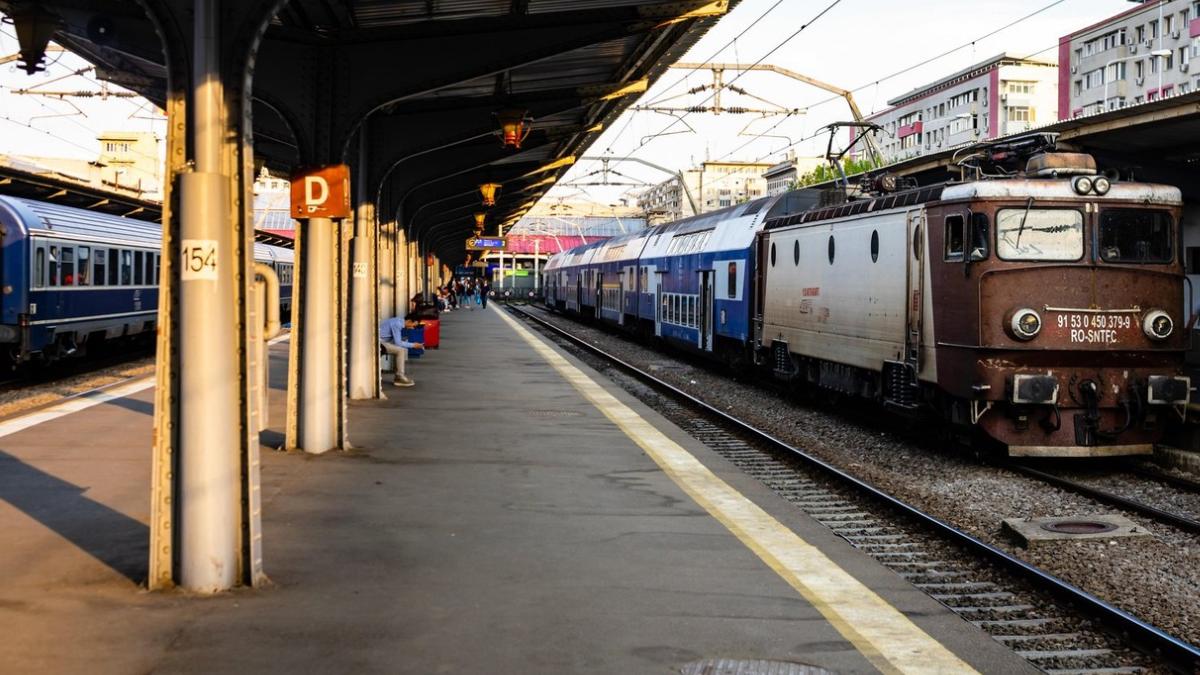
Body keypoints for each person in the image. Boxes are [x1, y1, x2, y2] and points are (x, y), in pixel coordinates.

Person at [379, 316, 423, 387]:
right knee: (401, 351)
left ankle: (399, 375)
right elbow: (398, 343)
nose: (413, 328)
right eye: (413, 325)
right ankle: (399, 377)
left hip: (381, 342)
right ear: (409, 321)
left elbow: (395, 340)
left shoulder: (397, 321)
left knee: (401, 349)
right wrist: (413, 345)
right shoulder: (397, 324)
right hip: (379, 343)